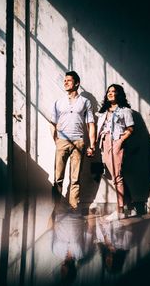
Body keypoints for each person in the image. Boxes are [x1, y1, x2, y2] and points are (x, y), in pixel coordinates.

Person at [50, 71, 95, 210]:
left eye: (69, 80)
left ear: (77, 83)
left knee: (75, 179)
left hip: (79, 142)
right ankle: (55, 207)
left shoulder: (85, 102)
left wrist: (92, 145)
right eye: (64, 80)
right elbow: (53, 123)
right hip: (62, 141)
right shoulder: (58, 102)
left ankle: (73, 208)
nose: (65, 82)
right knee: (58, 178)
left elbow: (91, 124)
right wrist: (56, 140)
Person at [96, 84, 134, 221]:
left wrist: (120, 141)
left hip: (116, 142)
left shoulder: (125, 110)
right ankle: (131, 207)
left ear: (119, 94)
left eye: (114, 91)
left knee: (117, 177)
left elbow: (130, 128)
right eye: (109, 91)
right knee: (115, 176)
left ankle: (120, 211)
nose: (111, 93)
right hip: (105, 143)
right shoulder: (104, 111)